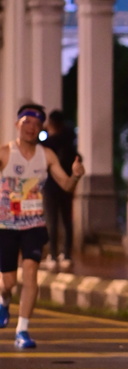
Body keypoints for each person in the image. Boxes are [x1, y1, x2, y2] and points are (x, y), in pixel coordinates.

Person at [0, 103, 84, 348]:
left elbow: (66, 185)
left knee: (31, 275)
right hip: (6, 226)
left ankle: (22, 330)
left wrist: (76, 174)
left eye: (37, 124)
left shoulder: (46, 155)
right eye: (27, 122)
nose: (31, 127)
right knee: (8, 282)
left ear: (41, 128)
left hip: (34, 225)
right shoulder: (5, 153)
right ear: (17, 124)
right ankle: (4, 300)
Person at [42, 109, 78, 271]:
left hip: (50, 185)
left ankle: (53, 254)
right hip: (67, 186)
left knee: (52, 221)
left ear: (51, 123)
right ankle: (67, 254)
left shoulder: (47, 144)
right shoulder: (69, 141)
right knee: (67, 220)